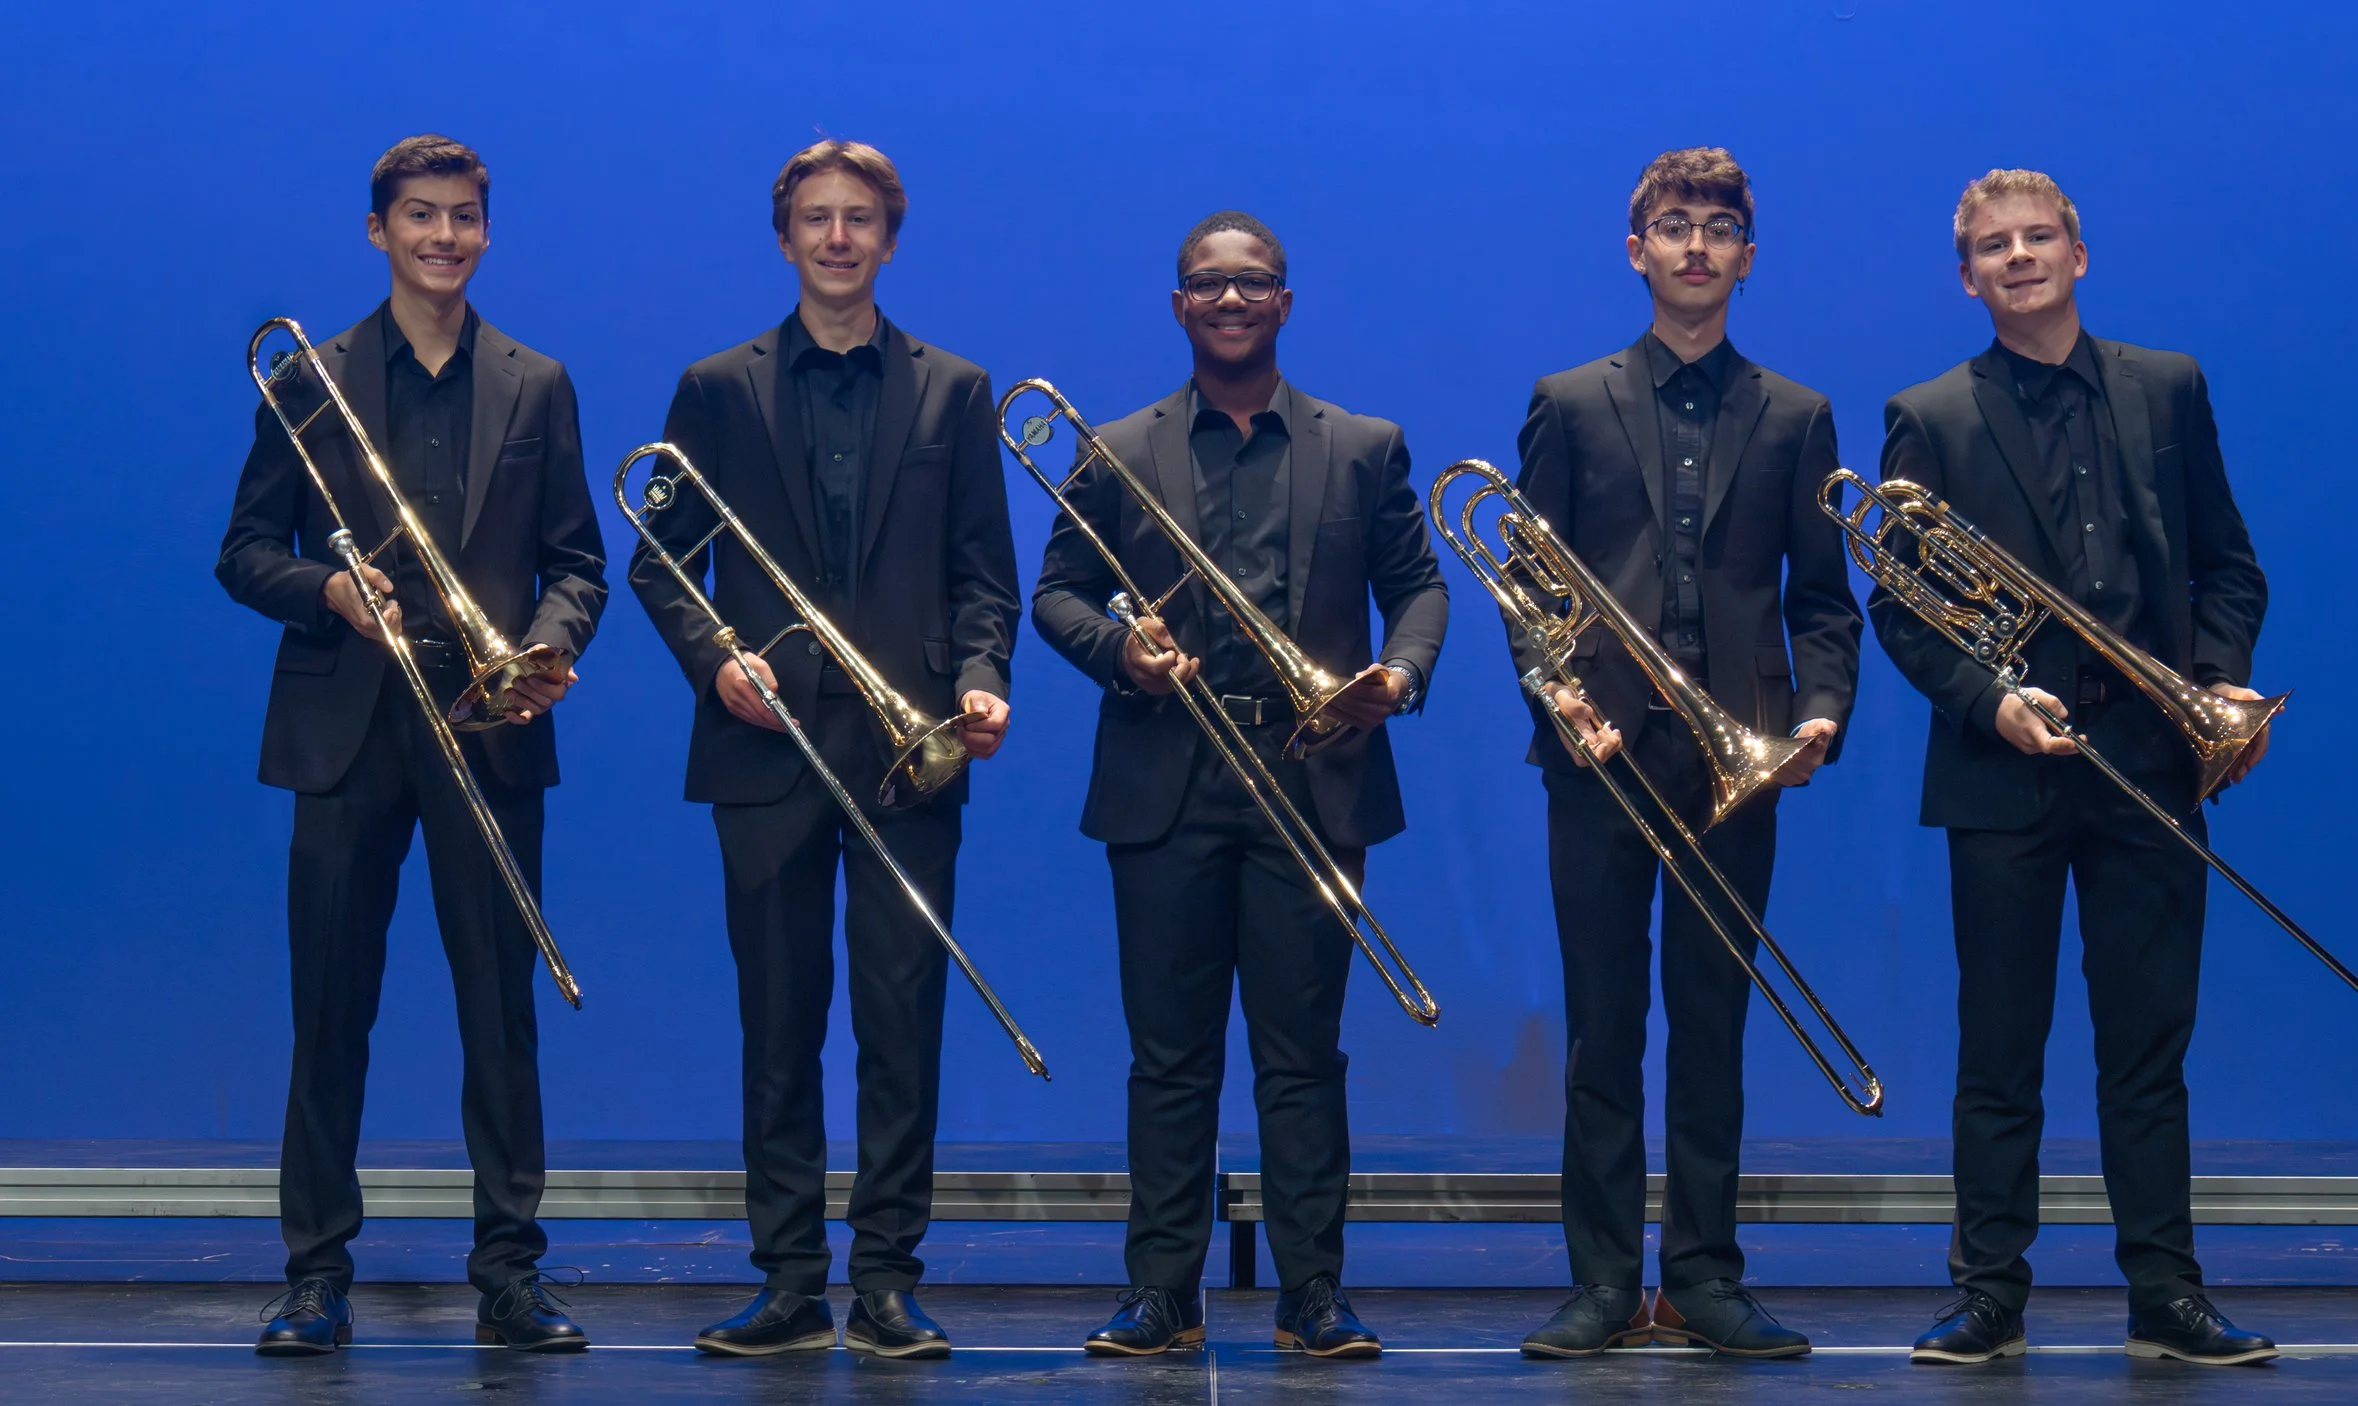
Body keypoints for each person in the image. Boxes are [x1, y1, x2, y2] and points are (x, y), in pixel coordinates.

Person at [1870, 168, 2278, 1367]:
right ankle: (1988, 1291)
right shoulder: (1929, 413)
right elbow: (1898, 606)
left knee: (2147, 1046)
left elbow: (2228, 566)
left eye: (2037, 236)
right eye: (1992, 245)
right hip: (2004, 766)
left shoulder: (2167, 386)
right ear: (1966, 277)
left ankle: (2166, 1290)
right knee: (1998, 1047)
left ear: (2077, 253)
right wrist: (1986, 700)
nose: (2017, 256)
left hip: (2152, 756)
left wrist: (2222, 682)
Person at [625, 139, 1019, 1359]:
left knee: (903, 1025)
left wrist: (982, 678)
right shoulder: (715, 387)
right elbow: (657, 561)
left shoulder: (954, 388)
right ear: (785, 236)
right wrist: (717, 662)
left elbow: (983, 576)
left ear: (889, 239)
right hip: (766, 744)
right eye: (815, 218)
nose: (837, 237)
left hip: (912, 749)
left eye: (858, 219)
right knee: (779, 1022)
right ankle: (789, 1276)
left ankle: (888, 1276)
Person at [1031, 211, 1448, 1359]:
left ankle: (1313, 1291)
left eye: (1252, 282)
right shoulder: (1116, 445)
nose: (1229, 299)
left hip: (1314, 773)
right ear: (1178, 305)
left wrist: (1398, 673)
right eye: (1207, 284)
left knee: (1302, 1054)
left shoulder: (1362, 444)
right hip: (1164, 773)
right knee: (1169, 1057)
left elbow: (1418, 587)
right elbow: (1057, 592)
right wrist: (1120, 651)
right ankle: (1161, 1290)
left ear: (1284, 302)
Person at [217, 134, 606, 1356]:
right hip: (348, 730)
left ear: (487, 229)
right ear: (377, 230)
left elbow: (579, 563)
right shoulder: (309, 377)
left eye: (464, 217)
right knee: (330, 1011)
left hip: (491, 725)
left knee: (501, 1011)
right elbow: (245, 551)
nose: (445, 236)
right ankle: (315, 1271)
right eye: (421, 216)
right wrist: (327, 592)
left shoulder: (537, 382)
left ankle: (511, 1270)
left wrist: (544, 644)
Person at [1510, 147, 1861, 1360]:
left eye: (1718, 227)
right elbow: (1526, 582)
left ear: (1746, 257)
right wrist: (1556, 695)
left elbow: (1823, 600)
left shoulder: (1797, 413)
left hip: (1737, 755)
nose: (1695, 243)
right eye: (1673, 225)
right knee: (1603, 1028)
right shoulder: (1567, 400)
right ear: (1637, 250)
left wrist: (1819, 709)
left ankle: (1703, 1276)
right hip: (1600, 753)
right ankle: (1604, 1280)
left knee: (1713, 1027)